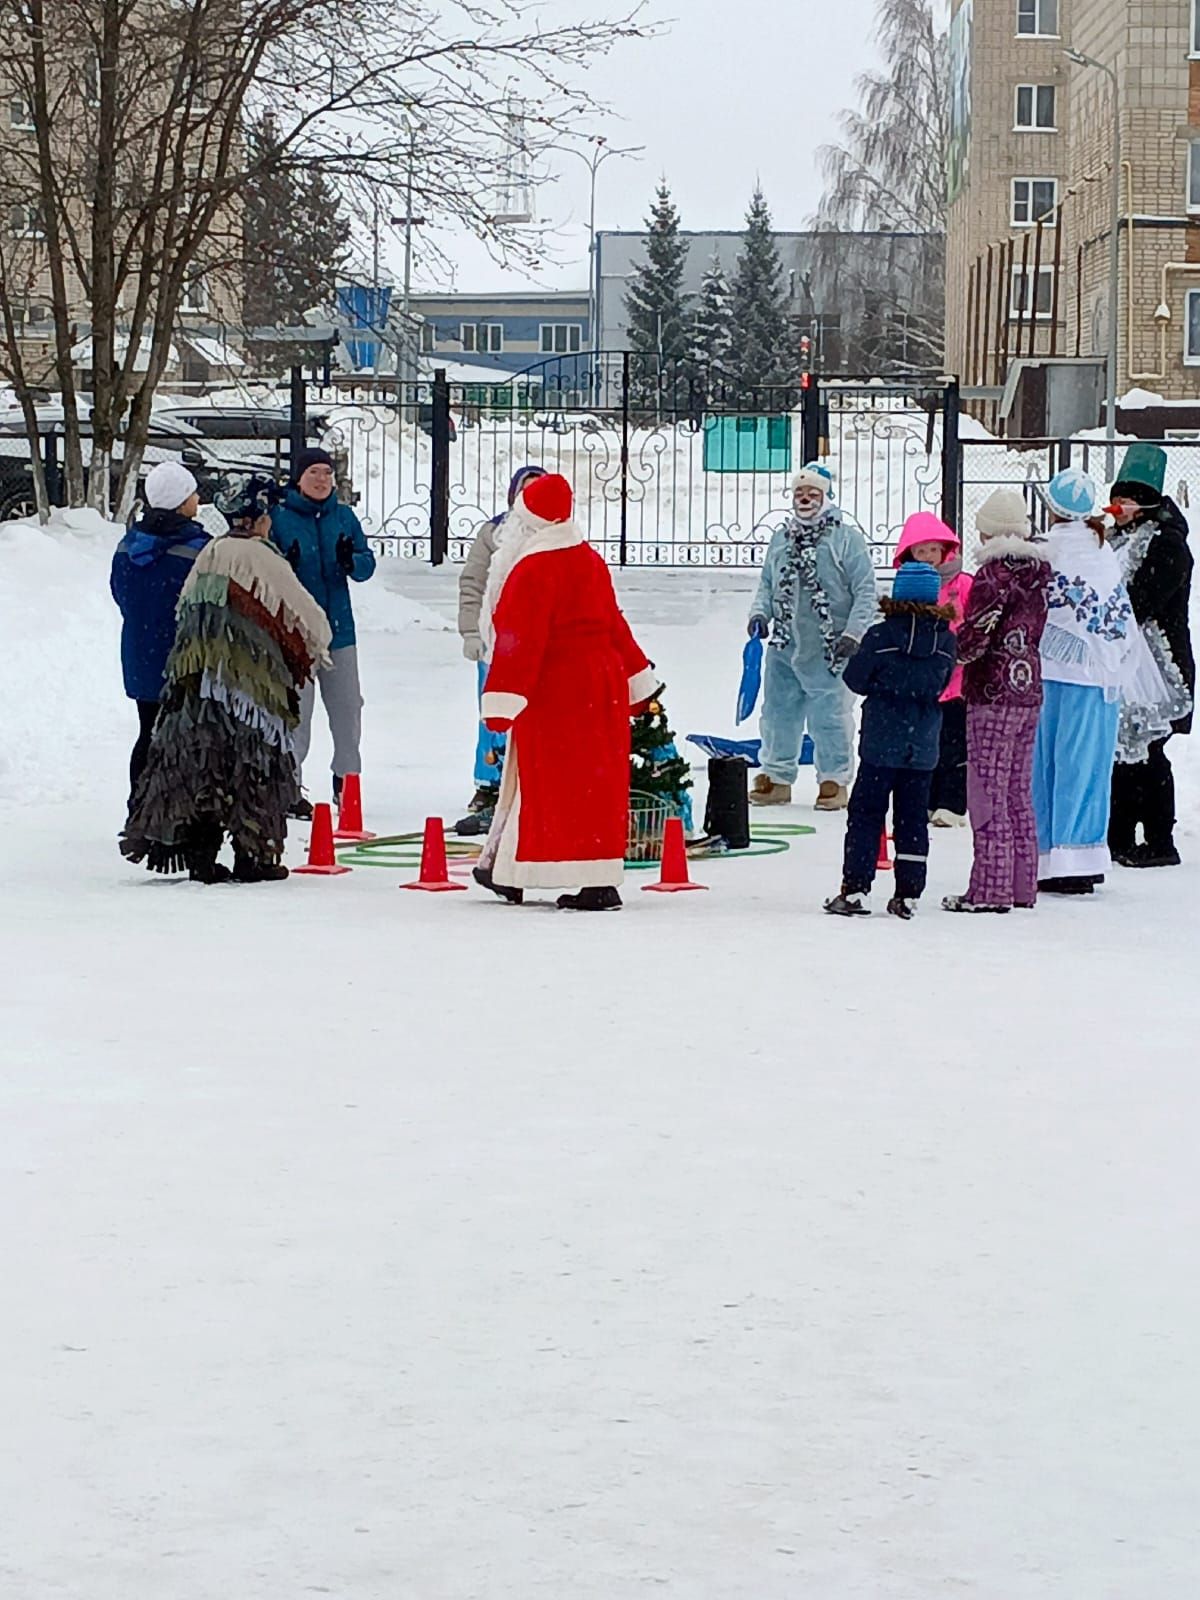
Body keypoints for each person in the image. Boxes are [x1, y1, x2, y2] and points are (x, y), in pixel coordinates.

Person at [120, 476, 333, 884]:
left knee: (206, 768)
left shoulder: (211, 551)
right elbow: (309, 617)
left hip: (200, 687)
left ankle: (202, 855)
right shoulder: (261, 558)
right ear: (258, 519)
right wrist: (308, 647)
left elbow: (185, 607)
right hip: (251, 689)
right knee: (254, 767)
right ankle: (253, 857)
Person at [473, 472, 658, 911]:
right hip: (603, 685)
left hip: (556, 689)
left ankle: (519, 868)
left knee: (543, 785)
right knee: (593, 787)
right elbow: (613, 623)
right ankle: (593, 877)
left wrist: (502, 700)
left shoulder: (532, 567)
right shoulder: (588, 559)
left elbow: (522, 639)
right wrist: (637, 679)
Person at [824, 561, 957, 920]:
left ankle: (855, 888)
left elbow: (855, 678)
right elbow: (944, 684)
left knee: (867, 814)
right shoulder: (946, 640)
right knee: (912, 818)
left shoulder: (881, 636)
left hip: (881, 740)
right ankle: (909, 893)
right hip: (924, 744)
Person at [941, 488, 1052, 914]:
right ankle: (1023, 884)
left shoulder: (993, 575)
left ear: (988, 531)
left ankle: (989, 888)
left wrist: (950, 653)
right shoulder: (1040, 573)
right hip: (1029, 689)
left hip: (991, 691)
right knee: (1018, 791)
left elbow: (978, 635)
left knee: (987, 789)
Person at [748, 462, 878, 811]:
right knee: (778, 712)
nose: (805, 499)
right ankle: (776, 776)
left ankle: (833, 780)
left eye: (812, 493)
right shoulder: (782, 537)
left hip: (829, 647)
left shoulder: (845, 538)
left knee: (830, 715)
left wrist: (853, 632)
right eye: (800, 493)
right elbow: (766, 584)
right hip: (783, 644)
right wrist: (760, 614)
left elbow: (866, 590)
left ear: (826, 497)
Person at [1032, 468, 1135, 896]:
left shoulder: (1044, 551)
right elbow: (1117, 615)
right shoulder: (1102, 552)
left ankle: (1046, 853)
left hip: (1047, 670)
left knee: (1044, 765)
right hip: (1095, 674)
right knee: (1087, 766)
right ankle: (1080, 856)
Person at [268, 446, 376, 816]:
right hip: (295, 632)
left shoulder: (343, 517)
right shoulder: (279, 518)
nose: (321, 479)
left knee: (348, 709)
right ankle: (289, 785)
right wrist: (286, 565)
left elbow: (366, 564)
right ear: (299, 478)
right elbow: (266, 565)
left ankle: (348, 782)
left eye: (327, 473)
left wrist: (352, 561)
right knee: (297, 710)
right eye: (314, 472)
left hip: (339, 631)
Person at [1105, 444, 1195, 868]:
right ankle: (1119, 835)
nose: (1116, 507)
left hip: (1159, 669)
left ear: (1142, 502)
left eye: (1123, 499)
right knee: (1122, 753)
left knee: (1150, 752)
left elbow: (1140, 601)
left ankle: (1160, 840)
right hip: (1126, 663)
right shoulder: (1119, 539)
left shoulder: (1167, 545)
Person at [109, 461, 210, 800]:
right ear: (183, 501)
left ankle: (139, 805)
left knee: (148, 732)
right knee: (186, 737)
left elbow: (121, 594)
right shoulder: (199, 549)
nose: (198, 498)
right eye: (193, 493)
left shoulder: (128, 544)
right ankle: (174, 810)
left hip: (140, 654)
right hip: (185, 660)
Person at [458, 464, 546, 818]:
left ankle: (531, 781)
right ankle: (490, 784)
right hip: (498, 644)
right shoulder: (494, 533)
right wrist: (470, 631)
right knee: (494, 715)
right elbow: (473, 582)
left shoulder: (557, 534)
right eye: (526, 488)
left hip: (542, 644)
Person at [891, 510, 973, 826]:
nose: (927, 557)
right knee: (924, 746)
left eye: (932, 550)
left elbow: (976, 621)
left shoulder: (963, 583)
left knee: (954, 744)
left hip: (956, 682)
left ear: (945, 549)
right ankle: (927, 801)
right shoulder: (909, 586)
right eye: (920, 551)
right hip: (922, 683)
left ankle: (952, 803)